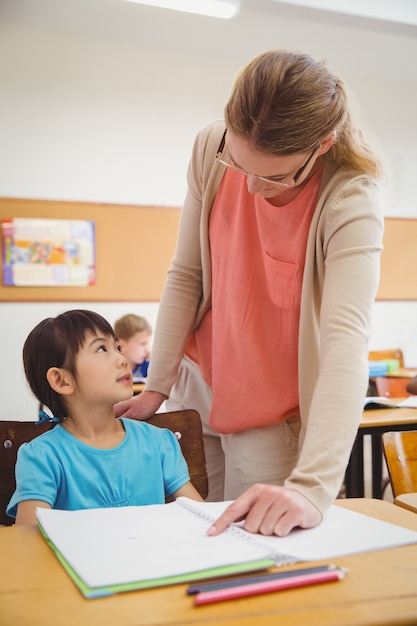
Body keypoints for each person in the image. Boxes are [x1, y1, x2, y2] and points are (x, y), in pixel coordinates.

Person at [114, 49, 384, 537]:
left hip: (271, 415)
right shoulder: (209, 148)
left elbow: (346, 342)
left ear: (323, 145)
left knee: (255, 557)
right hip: (198, 384)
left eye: (277, 176)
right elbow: (186, 274)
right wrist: (157, 384)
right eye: (240, 165)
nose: (254, 189)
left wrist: (312, 488)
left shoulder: (350, 199)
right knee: (187, 537)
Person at [7, 309, 201, 525]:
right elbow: (29, 541)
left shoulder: (158, 442)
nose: (121, 359)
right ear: (62, 381)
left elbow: (201, 517)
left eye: (118, 348)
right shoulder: (42, 457)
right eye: (101, 349)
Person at [114, 313, 152, 380]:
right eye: (143, 344)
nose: (148, 350)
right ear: (122, 345)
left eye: (147, 343)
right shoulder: (112, 369)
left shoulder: (147, 367)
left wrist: (155, 362)